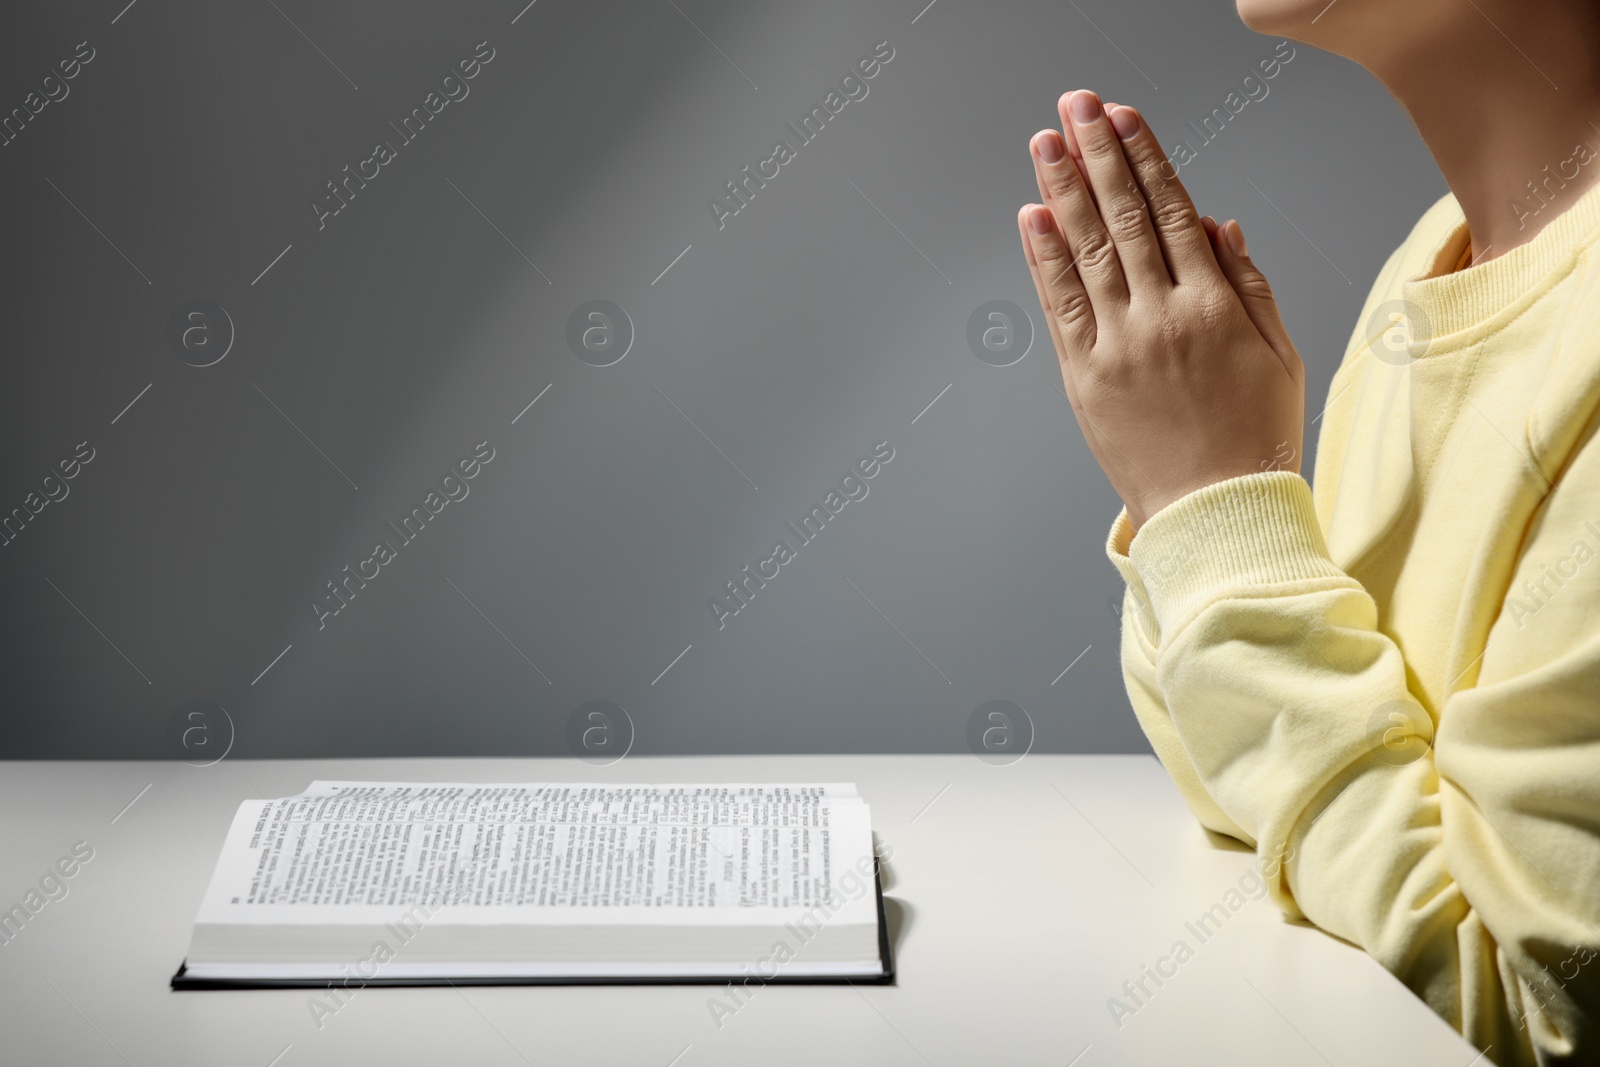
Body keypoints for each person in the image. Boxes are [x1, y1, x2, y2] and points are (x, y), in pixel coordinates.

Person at [1015, 1, 1600, 1063]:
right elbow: (1254, 790)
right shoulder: (1435, 256)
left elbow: (1526, 1017)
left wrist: (1214, 503)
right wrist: (1189, 499)